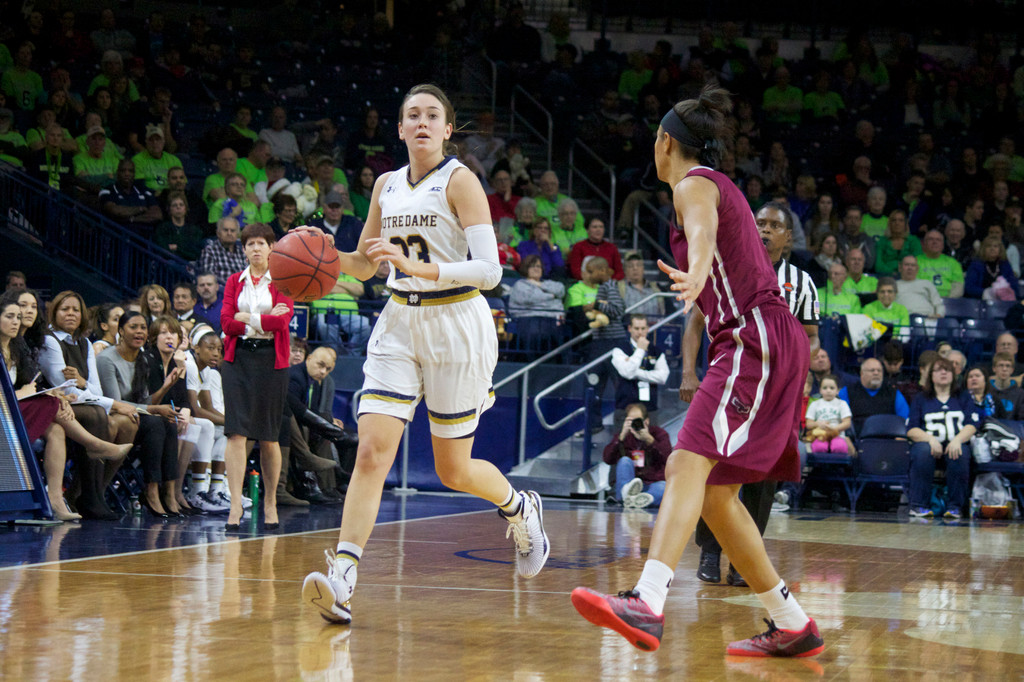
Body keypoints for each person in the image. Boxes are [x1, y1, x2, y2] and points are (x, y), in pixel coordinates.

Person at [571, 85, 823, 657]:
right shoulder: (704, 188)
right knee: (715, 495)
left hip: (752, 339)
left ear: (665, 141)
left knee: (686, 459)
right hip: (759, 340)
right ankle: (792, 623)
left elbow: (705, 233)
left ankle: (649, 600)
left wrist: (698, 270)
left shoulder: (694, 184)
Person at [301, 84, 549, 626]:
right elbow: (368, 265)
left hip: (456, 320)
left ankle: (519, 506)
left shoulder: (461, 181)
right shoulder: (386, 186)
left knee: (452, 469)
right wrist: (322, 253)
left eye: (432, 115)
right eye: (411, 115)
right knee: (371, 451)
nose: (421, 122)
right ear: (399, 128)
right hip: (397, 322)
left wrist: (422, 268)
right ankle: (344, 577)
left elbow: (490, 270)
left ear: (447, 129)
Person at [684, 199, 820, 586]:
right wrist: (688, 373)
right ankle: (710, 551)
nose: (763, 230)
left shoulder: (802, 283)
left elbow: (810, 337)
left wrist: (801, 378)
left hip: (777, 389)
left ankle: (745, 557)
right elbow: (695, 322)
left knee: (764, 472)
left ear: (788, 237)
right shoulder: (728, 268)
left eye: (773, 225)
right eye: (758, 222)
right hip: (733, 379)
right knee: (718, 463)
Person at [0, 292, 131, 521]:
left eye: (19, 316)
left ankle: (55, 499)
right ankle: (94, 445)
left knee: (57, 424)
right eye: (10, 316)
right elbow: (18, 391)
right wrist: (24, 393)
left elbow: (33, 385)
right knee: (58, 403)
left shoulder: (17, 348)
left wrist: (52, 392)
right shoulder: (45, 341)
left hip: (15, 411)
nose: (17, 320)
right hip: (5, 414)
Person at [36, 290, 138, 519]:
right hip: (56, 405)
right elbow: (63, 387)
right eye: (65, 309)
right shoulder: (49, 340)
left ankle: (89, 494)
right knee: (97, 416)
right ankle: (91, 497)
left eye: (75, 310)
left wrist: (82, 382)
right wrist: (112, 403)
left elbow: (93, 389)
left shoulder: (83, 342)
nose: (71, 314)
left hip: (80, 403)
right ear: (54, 312)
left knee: (122, 422)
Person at [220, 223, 294, 530]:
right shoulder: (234, 281)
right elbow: (226, 323)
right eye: (250, 243)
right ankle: (235, 504)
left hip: (271, 361)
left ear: (272, 247)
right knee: (236, 433)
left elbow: (283, 321)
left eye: (261, 242)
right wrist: (264, 319)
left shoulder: (283, 280)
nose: (255, 248)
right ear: (244, 249)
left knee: (268, 436)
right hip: (237, 360)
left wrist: (247, 318)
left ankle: (271, 501)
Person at [97, 311, 185, 518]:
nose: (139, 332)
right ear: (120, 331)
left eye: (143, 327)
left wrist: (164, 388)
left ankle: (169, 492)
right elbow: (115, 402)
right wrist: (155, 409)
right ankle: (151, 490)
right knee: (156, 423)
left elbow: (144, 401)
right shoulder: (106, 359)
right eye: (133, 327)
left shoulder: (142, 360)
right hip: (112, 417)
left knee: (167, 423)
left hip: (135, 415)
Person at [906, 357, 980, 519]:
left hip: (954, 444)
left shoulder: (963, 396)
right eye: (939, 370)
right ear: (931, 376)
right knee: (922, 452)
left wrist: (957, 440)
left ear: (953, 375)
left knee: (959, 453)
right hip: (929, 445)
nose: (944, 372)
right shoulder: (921, 399)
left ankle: (955, 507)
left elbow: (972, 424)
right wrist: (930, 439)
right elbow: (911, 429)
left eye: (947, 370)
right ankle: (918, 505)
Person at [603, 403, 670, 509]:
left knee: (664, 487)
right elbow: (607, 459)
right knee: (624, 460)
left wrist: (649, 440)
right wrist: (621, 437)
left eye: (637, 420)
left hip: (651, 484)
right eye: (630, 420)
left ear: (646, 421)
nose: (634, 423)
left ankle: (642, 499)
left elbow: (668, 459)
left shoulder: (659, 434)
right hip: (629, 484)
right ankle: (627, 496)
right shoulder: (624, 436)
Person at [611, 314, 669, 425]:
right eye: (636, 328)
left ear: (648, 329)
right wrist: (640, 350)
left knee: (650, 441)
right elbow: (627, 373)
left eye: (643, 328)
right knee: (622, 441)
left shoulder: (656, 351)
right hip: (624, 406)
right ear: (630, 329)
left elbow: (663, 377)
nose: (640, 332)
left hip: (649, 408)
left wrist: (637, 373)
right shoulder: (619, 349)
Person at [838, 357, 910, 437]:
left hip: (888, 441)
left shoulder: (894, 393)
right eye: (872, 370)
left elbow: (905, 420)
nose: (876, 373)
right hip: (857, 442)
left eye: (879, 371)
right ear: (862, 373)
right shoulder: (846, 392)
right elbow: (837, 419)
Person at [99, 158, 163, 229]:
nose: (127, 174)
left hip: (144, 235)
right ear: (117, 173)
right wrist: (141, 209)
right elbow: (116, 211)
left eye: (130, 171)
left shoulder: (143, 191)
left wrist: (131, 219)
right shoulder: (108, 190)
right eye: (123, 171)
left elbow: (157, 215)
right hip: (119, 234)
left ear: (134, 174)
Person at [804, 375, 853, 455]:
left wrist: (834, 428)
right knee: (819, 448)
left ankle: (838, 467)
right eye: (825, 388)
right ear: (820, 390)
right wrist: (817, 424)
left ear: (837, 390)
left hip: (838, 435)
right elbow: (808, 424)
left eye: (832, 388)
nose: (828, 391)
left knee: (839, 447)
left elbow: (847, 422)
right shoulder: (814, 404)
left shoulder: (842, 404)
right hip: (820, 435)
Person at [965, 235, 1020, 299]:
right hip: (980, 300)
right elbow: (969, 287)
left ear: (1000, 249)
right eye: (989, 246)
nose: (992, 248)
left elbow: (1014, 286)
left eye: (995, 246)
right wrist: (988, 292)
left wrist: (1006, 293)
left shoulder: (1005, 264)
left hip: (1003, 300)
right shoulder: (976, 265)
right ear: (983, 249)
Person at [198, 217, 247, 287]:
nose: (229, 233)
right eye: (225, 230)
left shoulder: (243, 253)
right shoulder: (210, 251)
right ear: (218, 233)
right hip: (221, 293)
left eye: (232, 231)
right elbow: (209, 280)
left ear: (237, 235)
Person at [917, 229, 965, 298]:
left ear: (942, 245)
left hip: (948, 302)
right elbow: (912, 284)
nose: (934, 242)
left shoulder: (953, 263)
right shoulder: (915, 261)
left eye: (938, 240)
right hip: (922, 299)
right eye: (930, 239)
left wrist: (946, 300)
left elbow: (958, 287)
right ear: (924, 244)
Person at [875, 209, 923, 276]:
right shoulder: (882, 241)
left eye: (901, 220)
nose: (897, 223)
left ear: (905, 224)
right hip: (886, 277)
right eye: (894, 220)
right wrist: (892, 273)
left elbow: (918, 263)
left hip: (909, 277)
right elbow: (878, 266)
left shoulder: (914, 241)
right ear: (889, 224)